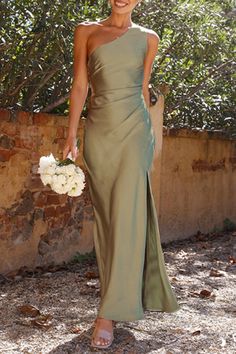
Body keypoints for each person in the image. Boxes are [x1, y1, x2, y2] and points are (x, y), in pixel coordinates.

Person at [63, 0, 180, 349]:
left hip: (134, 133)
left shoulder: (149, 38)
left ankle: (107, 313)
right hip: (99, 132)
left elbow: (143, 89)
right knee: (109, 219)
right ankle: (126, 294)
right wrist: (71, 134)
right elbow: (81, 85)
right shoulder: (86, 31)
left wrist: (151, 137)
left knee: (127, 216)